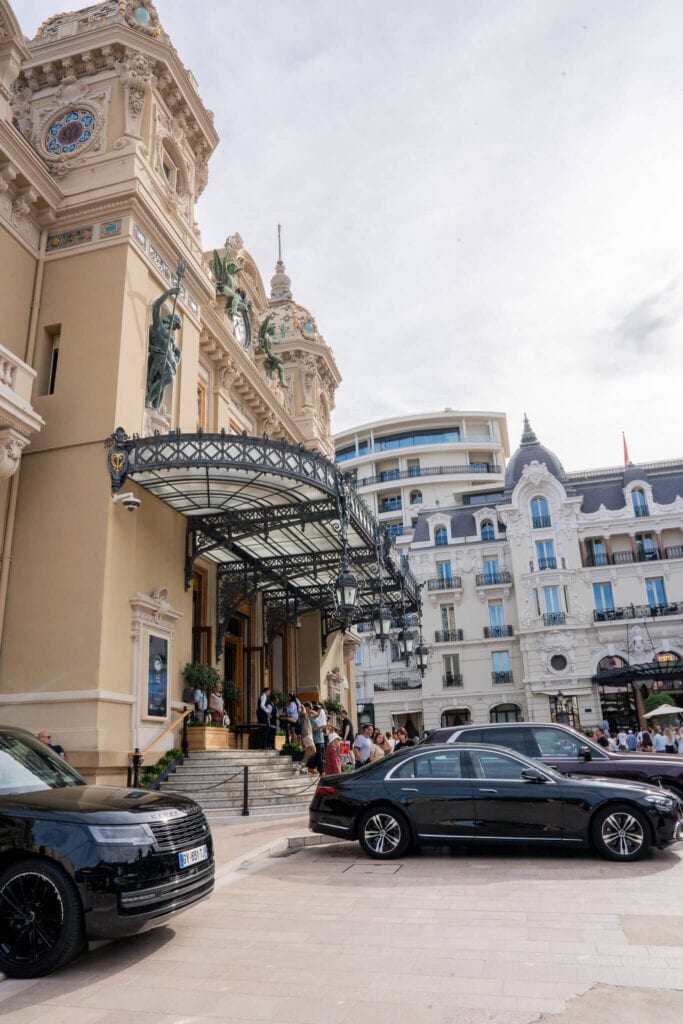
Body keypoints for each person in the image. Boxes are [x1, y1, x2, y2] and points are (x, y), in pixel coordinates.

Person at [298, 702, 317, 773]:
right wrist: (303, 708)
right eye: (310, 707)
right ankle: (301, 763)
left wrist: (311, 710)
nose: (311, 709)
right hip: (306, 734)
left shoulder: (308, 715)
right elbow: (303, 712)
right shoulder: (302, 713)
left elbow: (316, 714)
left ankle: (303, 766)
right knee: (314, 750)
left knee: (308, 751)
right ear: (306, 707)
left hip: (309, 734)